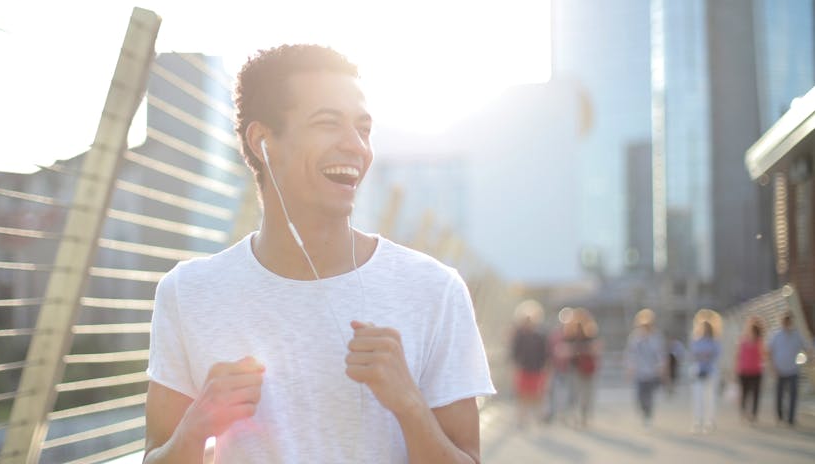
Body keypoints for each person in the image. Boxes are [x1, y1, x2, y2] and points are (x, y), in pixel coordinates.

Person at [143, 44, 494, 463]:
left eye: (363, 129)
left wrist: (410, 406)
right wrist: (195, 428)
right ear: (262, 141)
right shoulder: (188, 292)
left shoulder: (434, 290)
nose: (356, 146)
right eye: (328, 123)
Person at [509, 300, 549, 429]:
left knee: (537, 395)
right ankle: (522, 419)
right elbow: (514, 353)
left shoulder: (540, 336)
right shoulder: (518, 335)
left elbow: (545, 354)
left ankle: (539, 417)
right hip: (524, 369)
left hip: (537, 370)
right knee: (522, 395)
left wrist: (546, 369)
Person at [768, 313, 809, 427]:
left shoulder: (797, 335)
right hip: (779, 369)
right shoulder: (776, 335)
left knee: (793, 395)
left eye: (789, 321)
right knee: (779, 395)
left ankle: (791, 418)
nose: (787, 323)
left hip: (793, 370)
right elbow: (769, 351)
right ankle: (780, 416)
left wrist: (807, 359)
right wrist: (772, 367)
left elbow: (807, 348)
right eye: (785, 321)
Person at [625, 308, 665, 427]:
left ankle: (648, 414)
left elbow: (660, 354)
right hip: (639, 371)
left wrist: (661, 367)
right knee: (639, 395)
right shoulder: (635, 337)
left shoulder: (656, 337)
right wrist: (629, 368)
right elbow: (630, 354)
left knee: (649, 395)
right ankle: (643, 410)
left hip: (652, 371)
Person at [566, 308, 600, 428]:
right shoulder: (570, 335)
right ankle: (575, 415)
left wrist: (580, 350)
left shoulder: (590, 334)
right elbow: (566, 350)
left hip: (588, 368)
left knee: (587, 394)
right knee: (575, 392)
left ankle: (584, 416)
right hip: (575, 367)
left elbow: (595, 349)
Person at [689, 318, 722, 433]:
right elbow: (693, 354)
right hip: (698, 371)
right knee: (698, 398)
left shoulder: (714, 342)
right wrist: (703, 356)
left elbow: (717, 354)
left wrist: (706, 356)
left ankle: (710, 421)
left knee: (710, 398)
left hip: (711, 372)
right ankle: (697, 421)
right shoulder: (696, 341)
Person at [735, 316, 765, 424]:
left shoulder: (759, 342)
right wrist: (736, 369)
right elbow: (738, 356)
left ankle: (753, 414)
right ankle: (743, 412)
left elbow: (763, 355)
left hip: (756, 371)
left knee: (755, 394)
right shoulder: (742, 341)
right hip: (744, 371)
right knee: (744, 393)